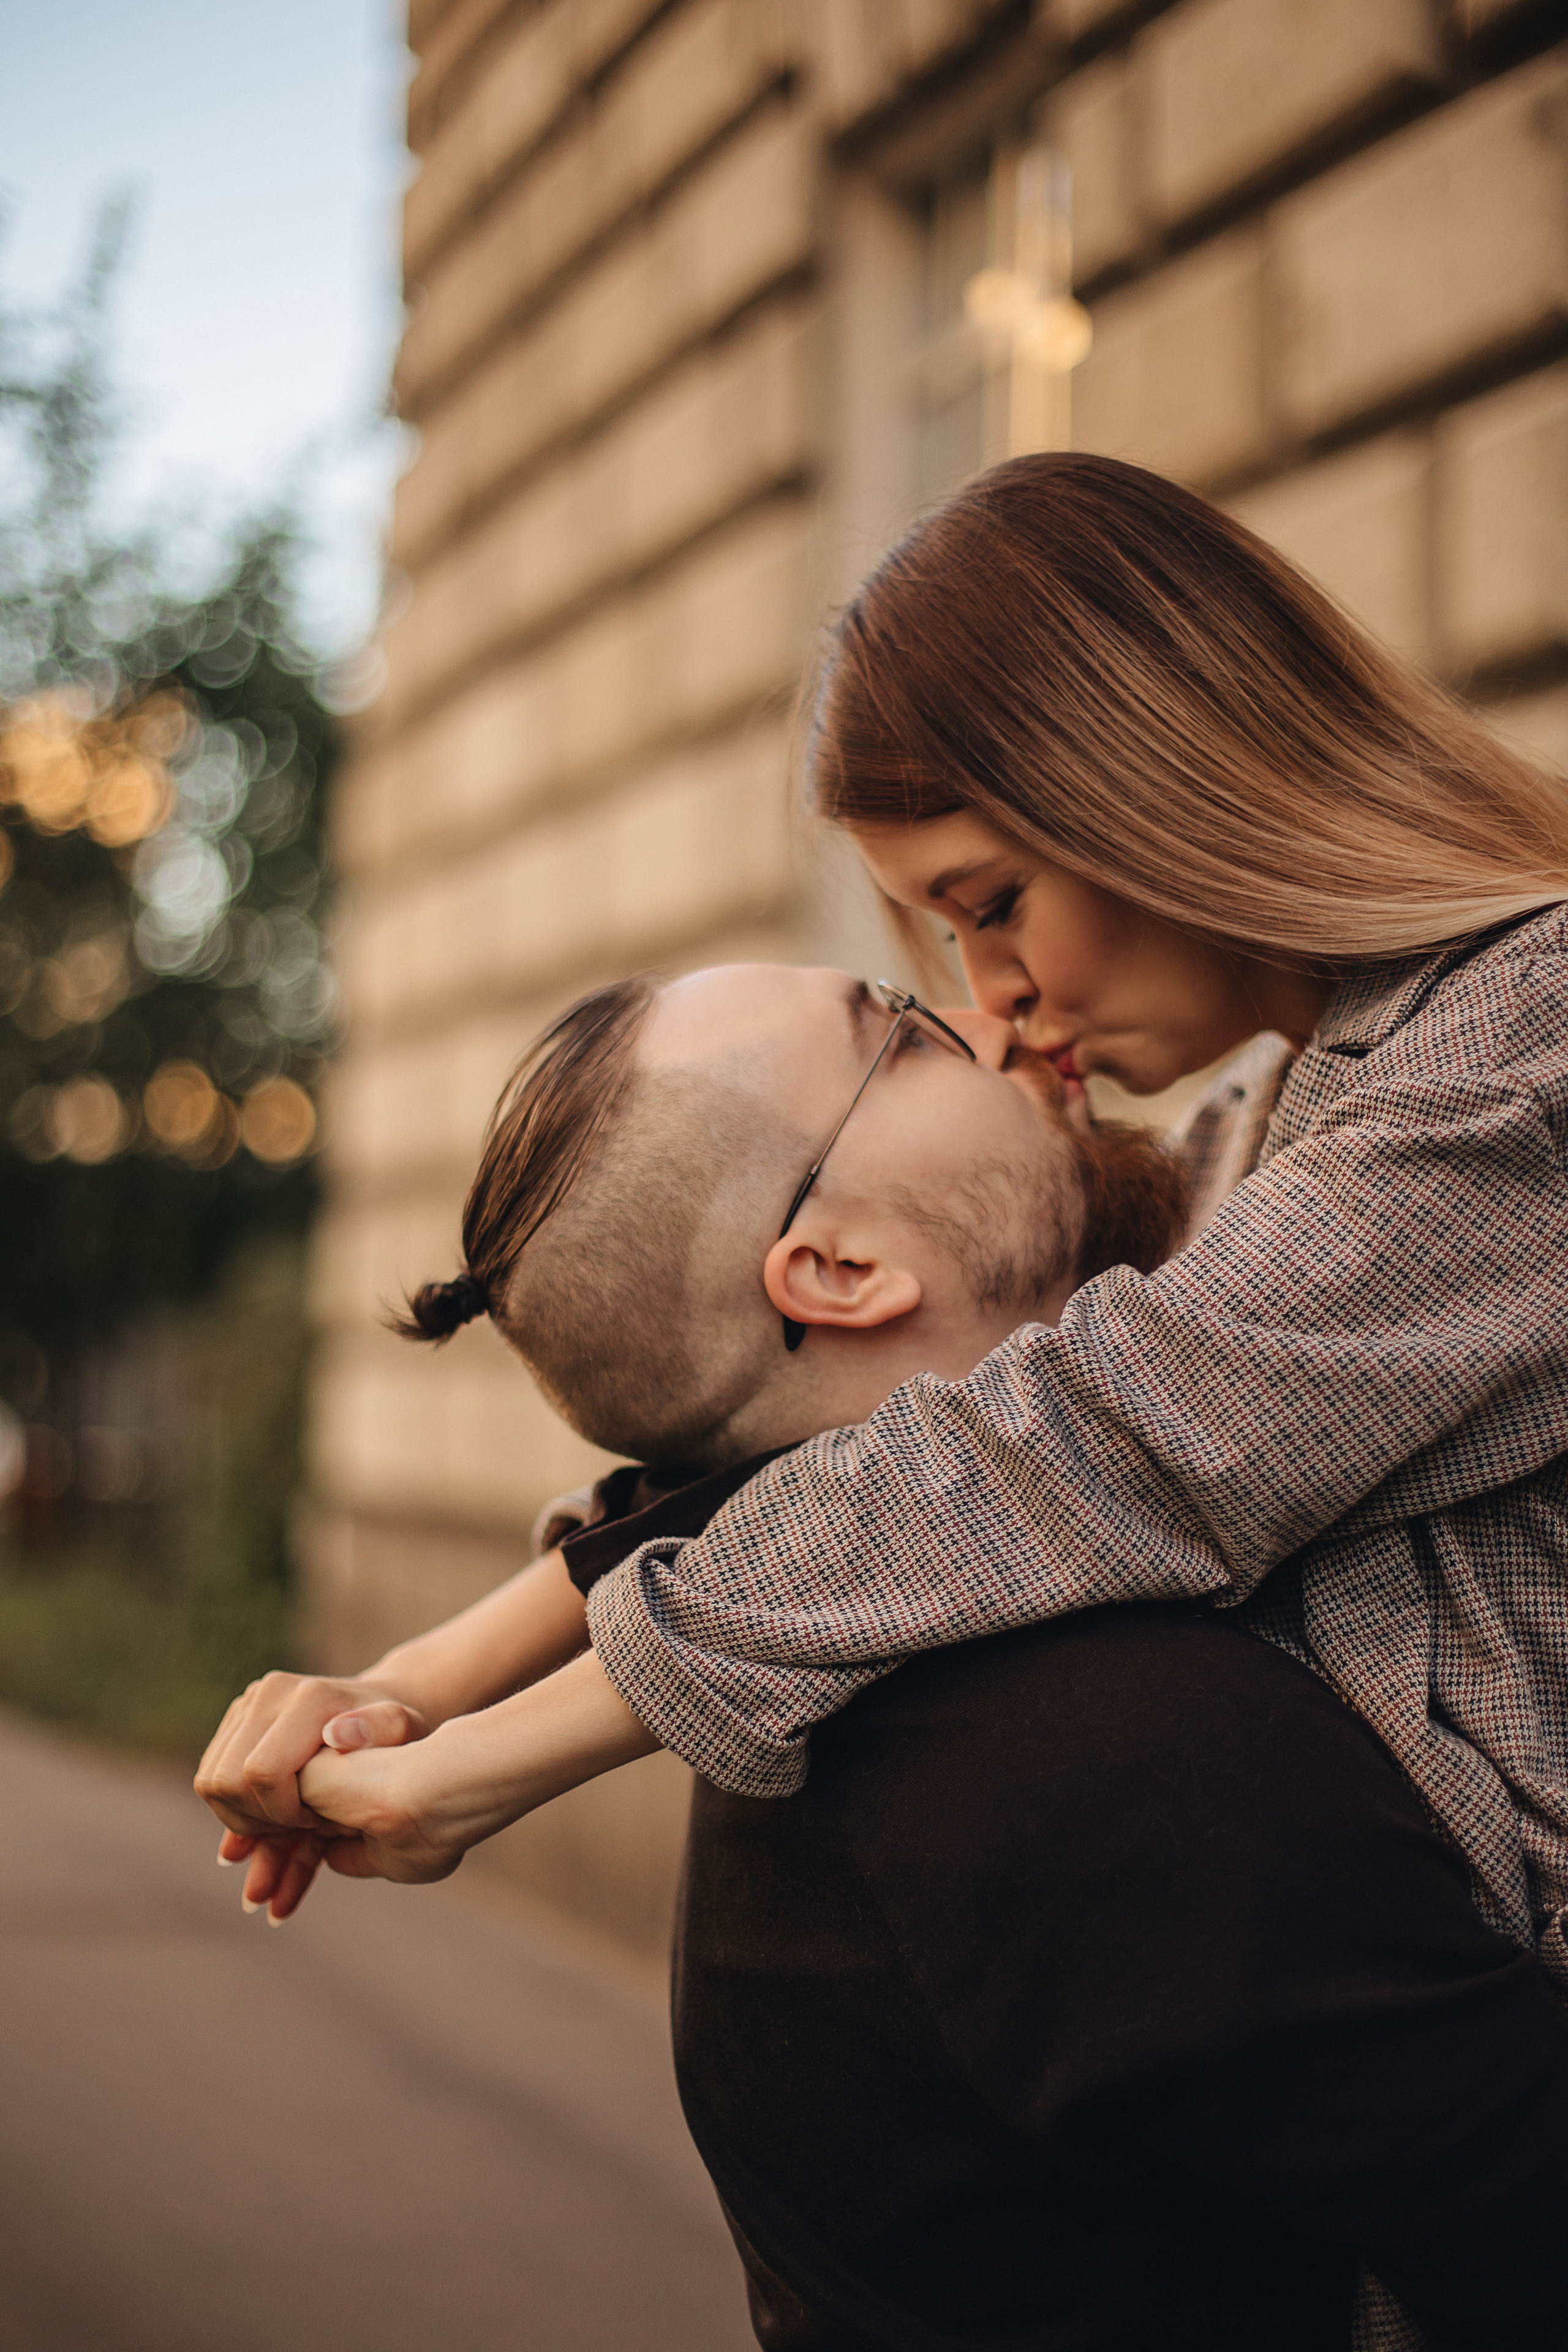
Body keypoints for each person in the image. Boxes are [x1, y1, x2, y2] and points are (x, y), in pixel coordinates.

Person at [196, 960, 1568, 2349]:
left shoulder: (857, 1691)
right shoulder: (1096, 1744)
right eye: (905, 1033)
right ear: (841, 1270)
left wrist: (429, 1678)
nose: (997, 1015)